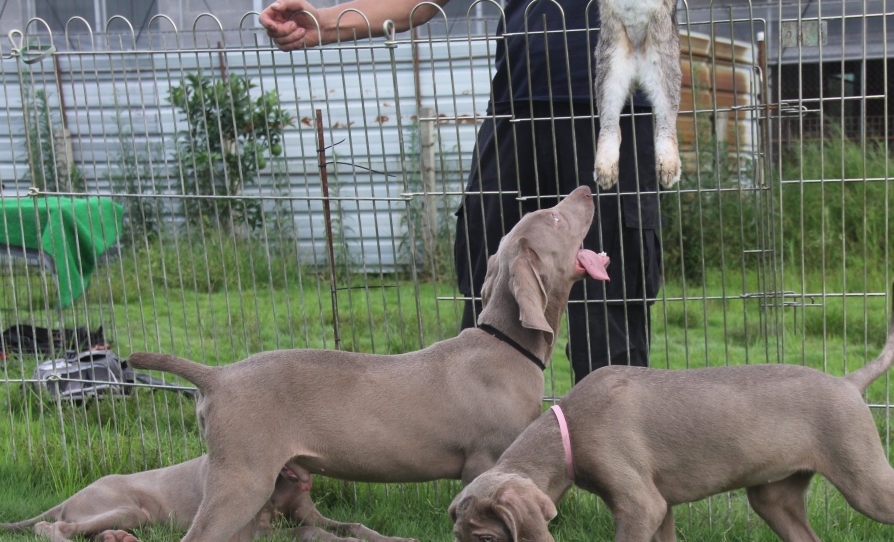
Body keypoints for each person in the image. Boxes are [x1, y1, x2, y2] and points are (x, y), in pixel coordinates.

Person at [260, 0, 660, 383]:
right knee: (489, 310)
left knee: (612, 329)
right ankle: (488, 449)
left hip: (617, 112)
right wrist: (326, 21)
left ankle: (611, 450)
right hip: (514, 111)